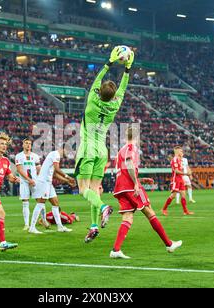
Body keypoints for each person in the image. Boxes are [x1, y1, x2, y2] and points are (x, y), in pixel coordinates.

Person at [74, 46, 134, 243]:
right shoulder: (115, 105)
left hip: (87, 147)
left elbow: (97, 79)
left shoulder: (92, 99)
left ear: (99, 92)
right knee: (94, 188)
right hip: (102, 149)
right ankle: (93, 226)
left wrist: (109, 62)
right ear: (113, 95)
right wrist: (127, 69)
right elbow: (123, 88)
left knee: (84, 189)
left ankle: (103, 208)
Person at [111, 127, 182, 259]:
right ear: (137, 137)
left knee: (127, 217)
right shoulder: (132, 148)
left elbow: (124, 169)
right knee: (149, 211)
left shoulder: (120, 150)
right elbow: (129, 163)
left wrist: (140, 179)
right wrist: (136, 183)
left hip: (120, 187)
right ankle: (169, 244)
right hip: (130, 186)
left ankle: (116, 250)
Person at [28, 148, 77, 234]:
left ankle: (60, 227)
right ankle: (32, 227)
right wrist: (68, 177)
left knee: (55, 203)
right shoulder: (56, 154)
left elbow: (54, 174)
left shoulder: (54, 156)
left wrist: (67, 181)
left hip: (48, 183)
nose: (68, 154)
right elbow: (57, 169)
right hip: (44, 182)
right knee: (40, 203)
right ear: (63, 149)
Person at [15, 138, 41, 230]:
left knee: (40, 200)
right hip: (24, 182)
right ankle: (27, 224)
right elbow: (19, 170)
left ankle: (43, 220)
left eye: (30, 143)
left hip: (34, 182)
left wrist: (37, 179)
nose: (28, 145)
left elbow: (38, 168)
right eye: (26, 143)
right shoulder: (19, 156)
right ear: (23, 145)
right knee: (25, 202)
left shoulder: (35, 156)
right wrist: (29, 179)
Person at [162, 147, 194, 216]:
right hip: (175, 180)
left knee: (183, 195)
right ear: (177, 152)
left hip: (181, 179)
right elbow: (176, 171)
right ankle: (164, 209)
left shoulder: (180, 160)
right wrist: (186, 174)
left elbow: (182, 169)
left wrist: (188, 172)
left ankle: (185, 211)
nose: (182, 152)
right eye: (180, 151)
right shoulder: (174, 160)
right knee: (173, 195)